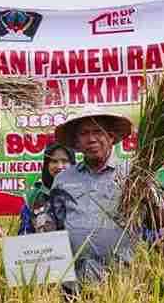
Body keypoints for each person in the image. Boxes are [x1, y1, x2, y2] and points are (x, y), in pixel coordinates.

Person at [43, 107, 138, 284]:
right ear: (77, 143)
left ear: (111, 137)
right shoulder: (63, 179)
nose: (92, 138)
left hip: (122, 281)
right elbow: (53, 223)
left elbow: (159, 221)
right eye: (84, 133)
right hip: (73, 281)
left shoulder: (133, 174)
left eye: (97, 131)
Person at [19, 142, 73, 234]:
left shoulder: (82, 192)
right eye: (54, 161)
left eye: (65, 161)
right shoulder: (34, 195)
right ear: (47, 164)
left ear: (73, 164)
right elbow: (25, 233)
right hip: (44, 248)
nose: (59, 166)